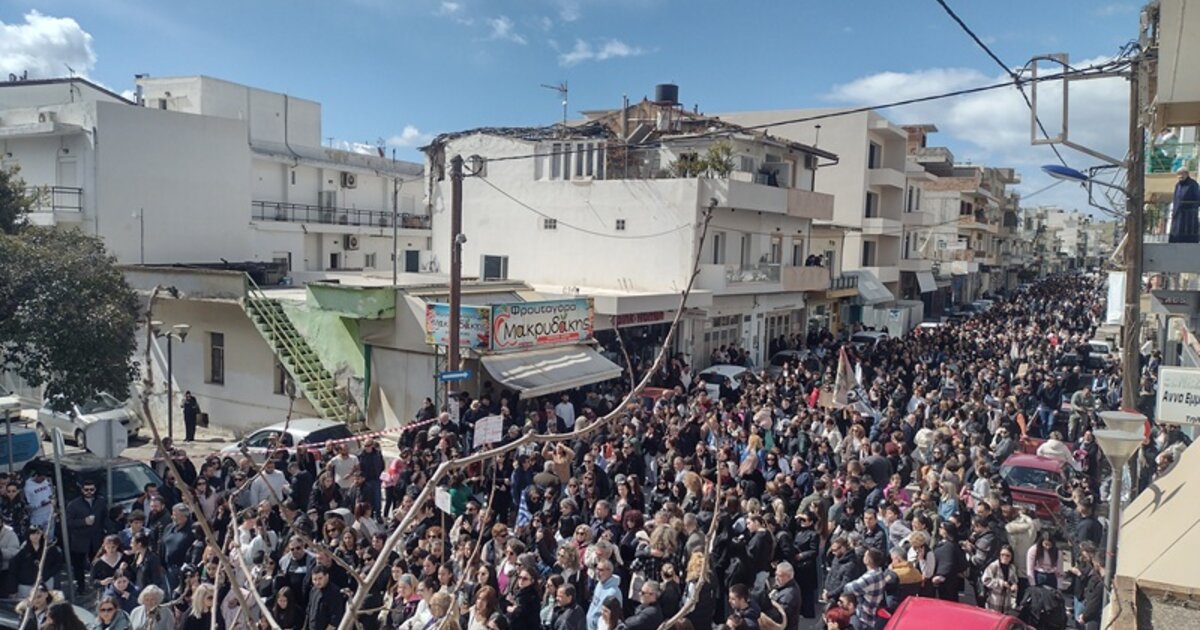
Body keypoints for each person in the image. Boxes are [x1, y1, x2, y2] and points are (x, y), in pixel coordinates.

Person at [981, 545, 1020, 614]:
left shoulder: (1012, 567)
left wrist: (1014, 586)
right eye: (1002, 555)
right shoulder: (994, 566)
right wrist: (1001, 583)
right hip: (994, 602)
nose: (1005, 557)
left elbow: (1014, 581)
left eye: (1007, 556)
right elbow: (985, 580)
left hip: (1006, 603)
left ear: (1011, 557)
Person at [305, 566, 346, 630]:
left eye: (320, 578)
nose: (317, 582)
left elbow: (335, 618)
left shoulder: (334, 592)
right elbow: (309, 611)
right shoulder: (313, 590)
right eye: (315, 579)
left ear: (327, 576)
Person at [1169, 168, 1200, 243]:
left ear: (1186, 174)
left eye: (1182, 174)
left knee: (1187, 231)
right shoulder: (1178, 185)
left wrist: (1192, 207)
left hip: (1189, 215)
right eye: (1178, 174)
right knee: (1176, 232)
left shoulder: (1193, 184)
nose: (1180, 176)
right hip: (1178, 214)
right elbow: (1175, 198)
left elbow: (1197, 199)